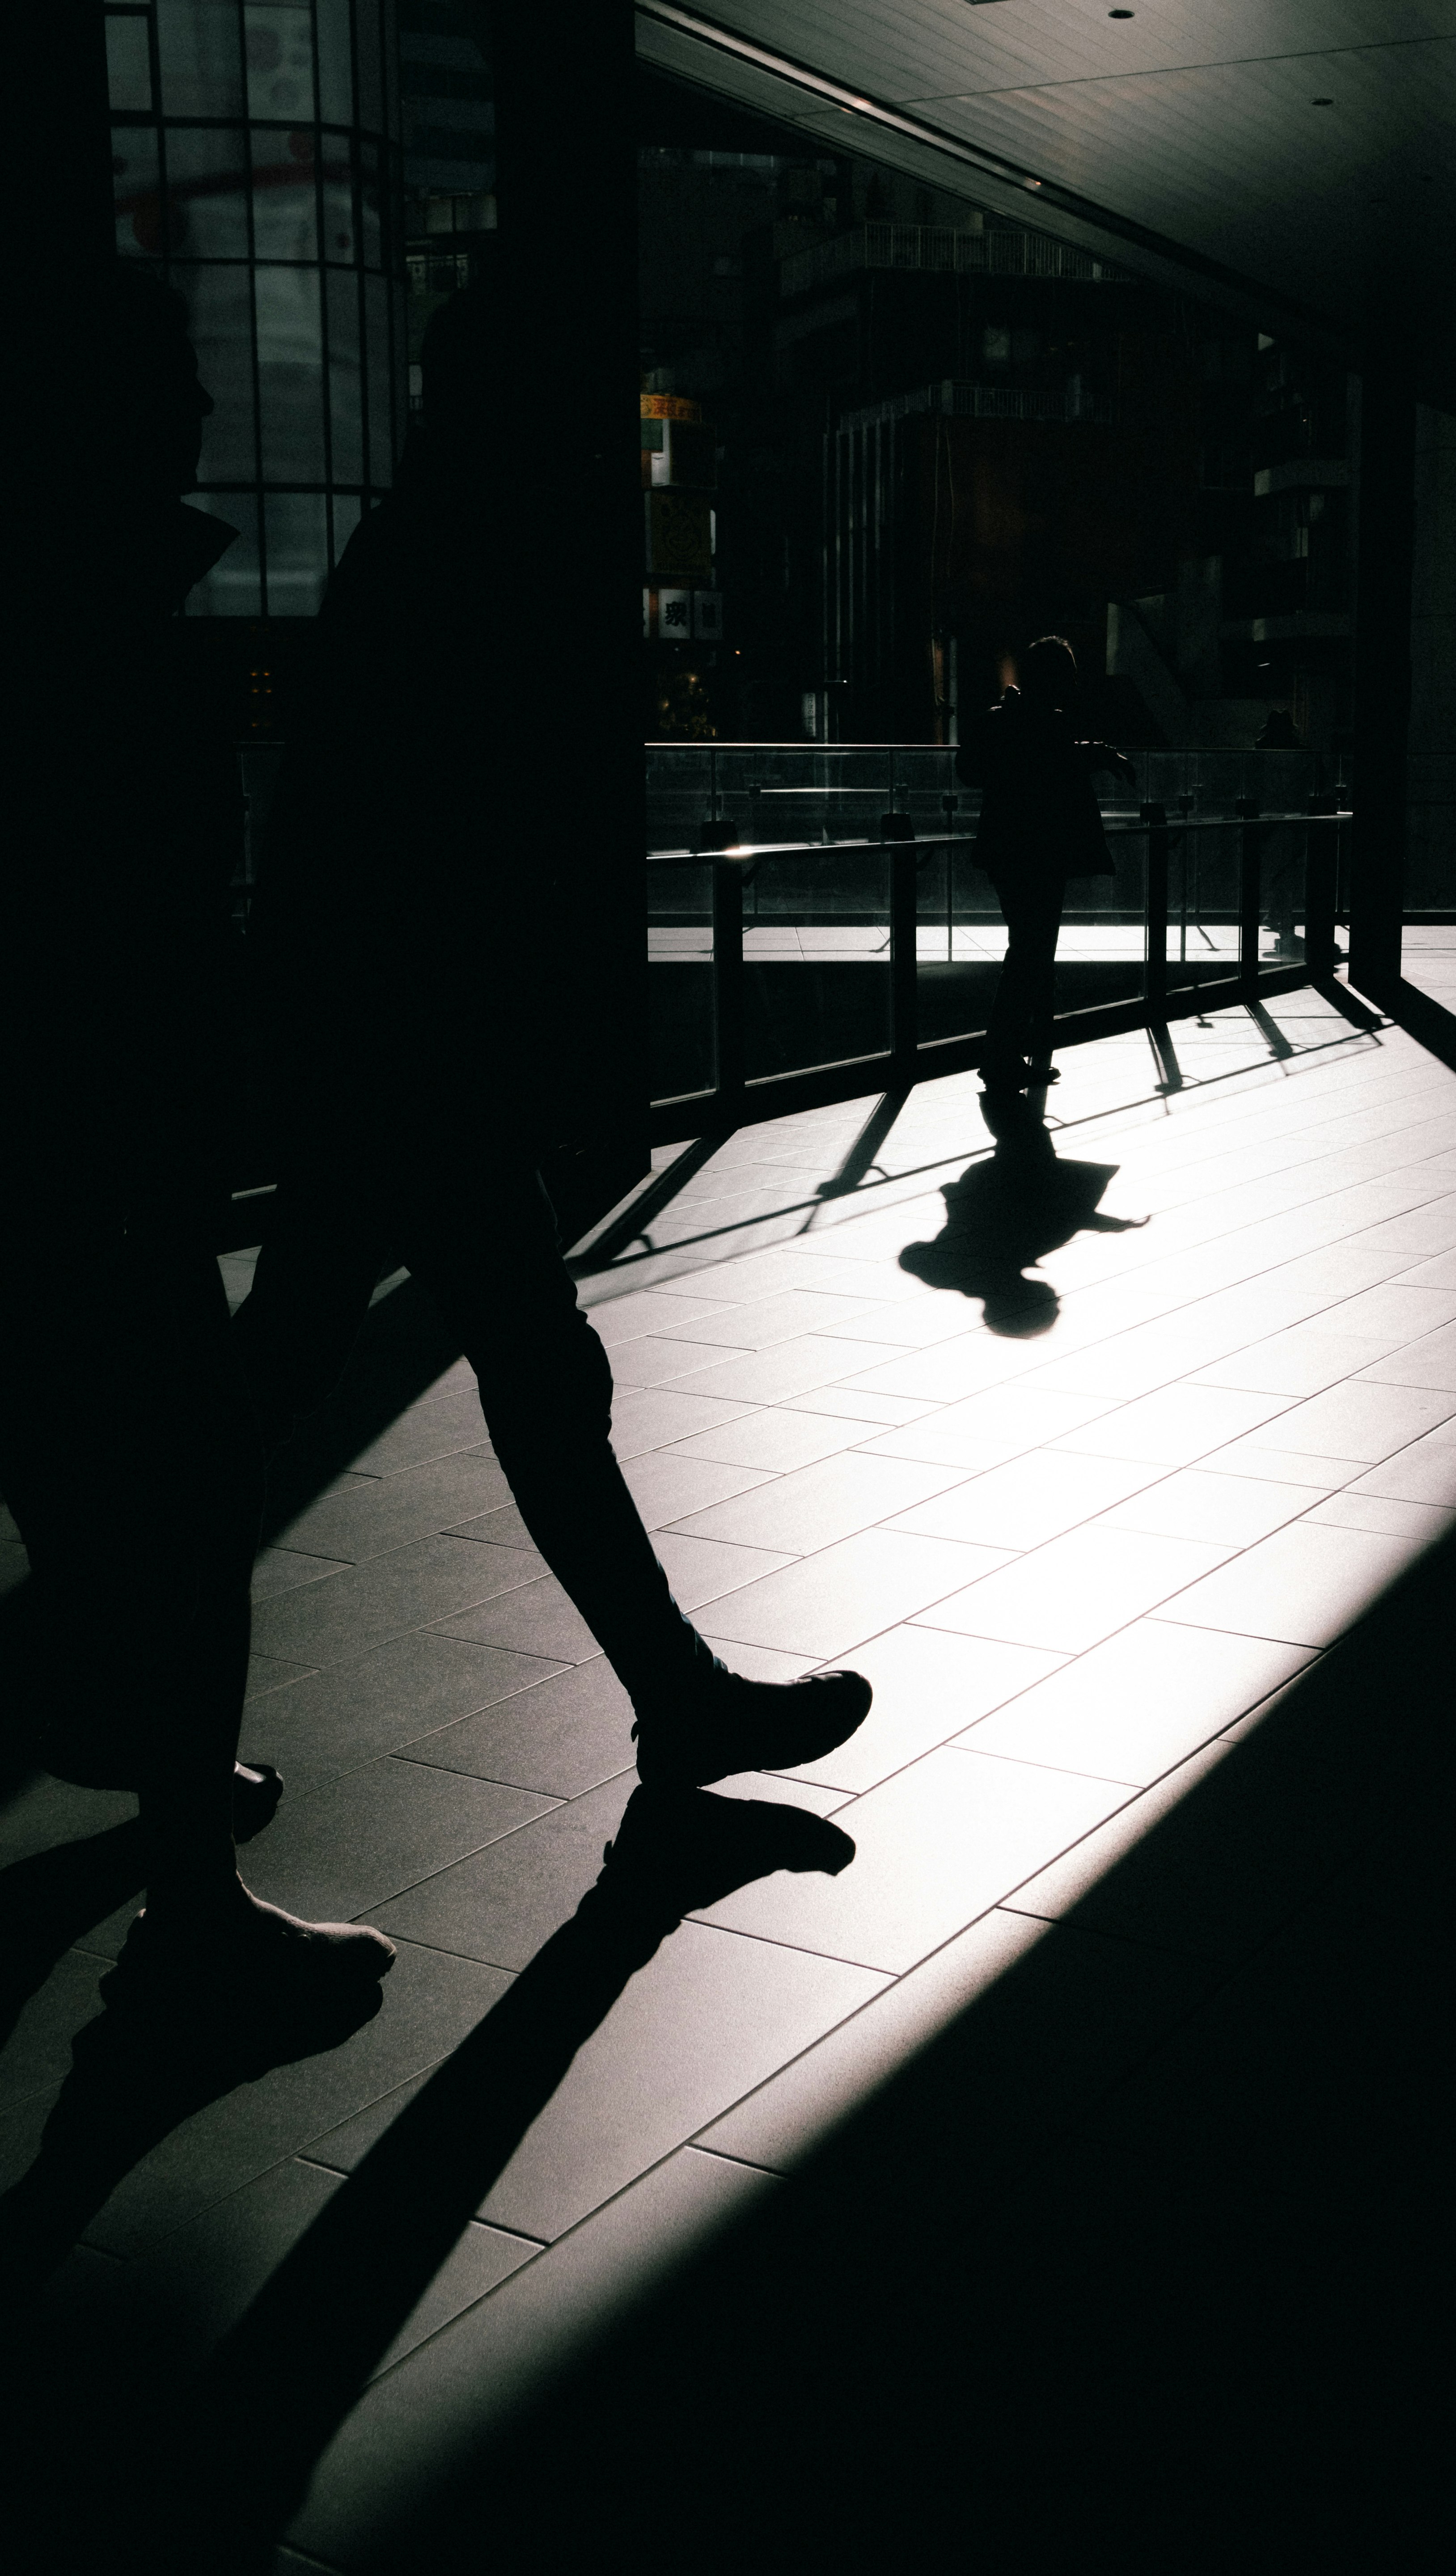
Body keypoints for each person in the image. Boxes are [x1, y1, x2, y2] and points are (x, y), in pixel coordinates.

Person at [232, 267, 871, 1789]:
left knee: (318, 1368)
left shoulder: (415, 560)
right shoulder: (465, 574)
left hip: (379, 1053)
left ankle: (122, 1673)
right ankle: (677, 1698)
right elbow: (476, 848)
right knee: (514, 1367)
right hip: (416, 1060)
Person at [0, 265, 392, 2002]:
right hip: (96, 1150)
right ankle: (190, 1906)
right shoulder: (97, 616)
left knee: (107, 1494)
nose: (207, 408)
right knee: (181, 1488)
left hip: (64, 1145)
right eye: (170, 378)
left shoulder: (65, 594)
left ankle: (165, 1798)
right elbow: (131, 909)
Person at [957, 636, 1135, 1094]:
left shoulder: (1010, 722)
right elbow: (1056, 758)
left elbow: (974, 769)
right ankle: (1005, 1054)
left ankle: (1010, 1053)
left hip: (1010, 852)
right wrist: (1098, 752)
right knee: (1031, 954)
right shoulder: (1039, 725)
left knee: (1029, 952)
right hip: (1036, 854)